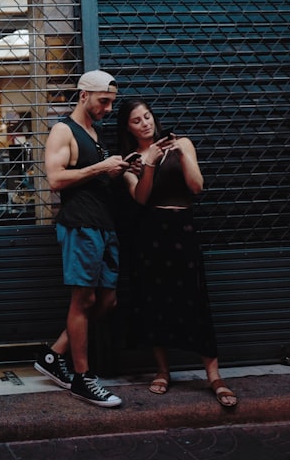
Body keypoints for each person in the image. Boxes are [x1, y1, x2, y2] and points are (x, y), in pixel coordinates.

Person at [116, 97, 238, 408]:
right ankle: (162, 371)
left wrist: (182, 153)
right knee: (155, 300)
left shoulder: (181, 143)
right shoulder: (130, 160)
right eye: (137, 120)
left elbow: (196, 187)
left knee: (195, 300)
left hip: (182, 229)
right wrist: (150, 163)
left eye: (147, 116)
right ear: (128, 127)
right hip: (151, 234)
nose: (145, 123)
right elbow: (141, 199)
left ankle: (214, 376)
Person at [36, 70, 131, 408]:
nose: (107, 108)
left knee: (107, 302)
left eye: (111, 102)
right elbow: (56, 179)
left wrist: (117, 170)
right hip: (81, 225)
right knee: (83, 301)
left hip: (103, 226)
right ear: (83, 95)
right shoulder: (65, 130)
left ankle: (53, 355)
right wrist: (100, 168)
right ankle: (82, 378)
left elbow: (93, 175)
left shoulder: (94, 132)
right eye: (103, 101)